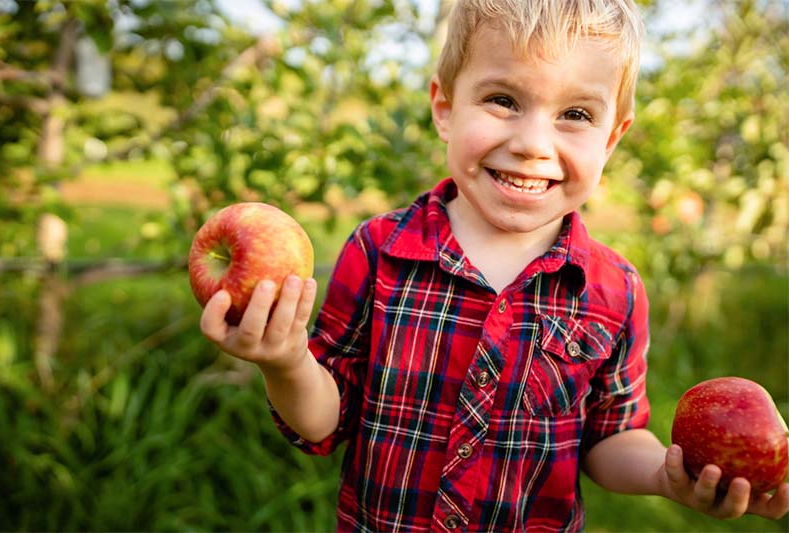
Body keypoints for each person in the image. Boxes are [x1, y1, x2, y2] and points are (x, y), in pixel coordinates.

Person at [200, 0, 789, 530]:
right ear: (445, 108)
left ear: (612, 137)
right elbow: (324, 419)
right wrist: (285, 361)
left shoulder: (615, 290)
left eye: (576, 115)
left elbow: (610, 438)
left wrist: (667, 476)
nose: (534, 142)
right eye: (503, 101)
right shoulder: (379, 252)